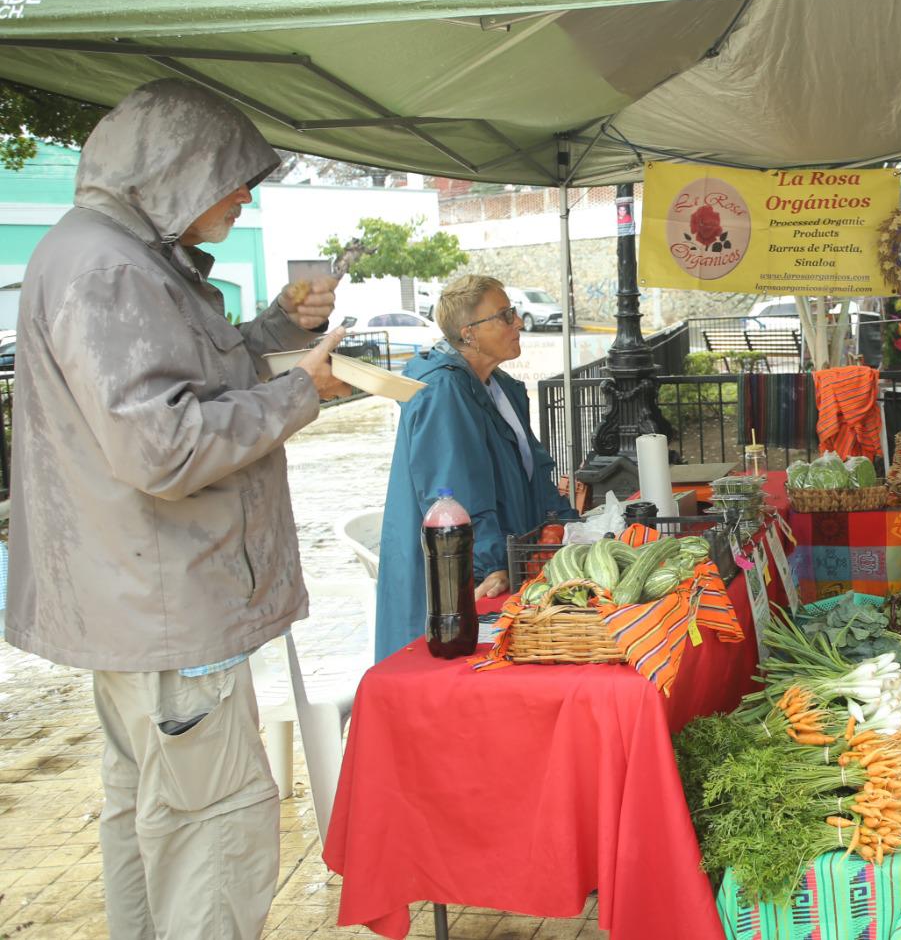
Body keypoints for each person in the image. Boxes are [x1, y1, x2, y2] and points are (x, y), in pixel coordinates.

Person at [4, 78, 350, 939]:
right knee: (215, 833)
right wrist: (297, 394)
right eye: (232, 177)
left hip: (138, 607)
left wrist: (273, 331)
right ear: (174, 172)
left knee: (151, 817)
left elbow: (182, 376)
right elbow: (165, 448)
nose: (244, 195)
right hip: (165, 606)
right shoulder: (112, 268)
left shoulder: (111, 254)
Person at [374, 274, 573, 661]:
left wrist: (565, 523)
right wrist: (491, 565)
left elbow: (533, 470)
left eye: (513, 313)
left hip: (508, 561)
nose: (518, 323)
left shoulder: (500, 387)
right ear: (469, 333)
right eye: (505, 315)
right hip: (456, 583)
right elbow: (451, 496)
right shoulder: (444, 391)